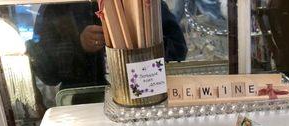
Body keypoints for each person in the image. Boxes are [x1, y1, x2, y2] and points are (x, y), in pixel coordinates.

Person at [27, 1, 187, 89]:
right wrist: (78, 45)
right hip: (81, 106)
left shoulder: (145, 5)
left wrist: (136, 43)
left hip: (143, 99)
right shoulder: (59, 6)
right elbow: (46, 73)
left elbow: (178, 51)